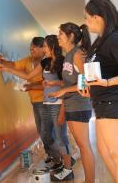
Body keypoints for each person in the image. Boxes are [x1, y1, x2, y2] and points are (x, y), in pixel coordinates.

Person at [0, 35, 74, 181]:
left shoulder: (63, 62)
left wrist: (62, 107)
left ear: (50, 47)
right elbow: (28, 76)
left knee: (59, 137)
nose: (43, 49)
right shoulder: (45, 62)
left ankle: (67, 167)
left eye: (44, 46)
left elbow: (67, 84)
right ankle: (63, 162)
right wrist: (8, 70)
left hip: (58, 104)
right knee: (47, 133)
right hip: (47, 103)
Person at [49, 23, 95, 183]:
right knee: (82, 145)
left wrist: (63, 91)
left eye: (61, 33)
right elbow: (71, 83)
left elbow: (87, 81)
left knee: (84, 146)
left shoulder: (78, 53)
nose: (58, 37)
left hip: (79, 105)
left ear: (71, 36)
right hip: (71, 106)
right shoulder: (68, 56)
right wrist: (62, 96)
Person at [82, 0, 118, 182]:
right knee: (106, 154)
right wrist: (88, 86)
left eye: (87, 18)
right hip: (101, 104)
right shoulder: (99, 42)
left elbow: (107, 78)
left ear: (97, 17)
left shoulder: (113, 39)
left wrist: (105, 83)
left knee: (115, 154)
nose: (86, 23)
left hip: (112, 102)